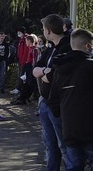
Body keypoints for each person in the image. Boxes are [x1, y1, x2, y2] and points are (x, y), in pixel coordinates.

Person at [32, 14, 73, 170]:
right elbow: (36, 69)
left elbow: (55, 76)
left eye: (43, 29)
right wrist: (43, 71)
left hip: (57, 104)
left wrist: (44, 73)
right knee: (50, 145)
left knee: (63, 145)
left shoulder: (66, 46)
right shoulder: (51, 48)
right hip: (45, 101)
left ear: (48, 31)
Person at [52, 28, 93, 170]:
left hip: (69, 128)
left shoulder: (59, 68)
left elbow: (53, 100)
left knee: (74, 165)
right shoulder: (89, 66)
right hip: (89, 129)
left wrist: (63, 115)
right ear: (88, 46)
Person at [12, 34, 40, 105]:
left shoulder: (34, 49)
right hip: (28, 66)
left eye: (26, 41)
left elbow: (33, 60)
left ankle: (24, 98)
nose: (26, 43)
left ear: (29, 41)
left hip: (30, 67)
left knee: (29, 83)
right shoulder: (31, 49)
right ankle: (22, 98)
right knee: (26, 83)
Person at [11, 27, 30, 95]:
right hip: (20, 60)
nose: (18, 33)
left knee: (22, 75)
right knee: (20, 74)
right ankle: (19, 88)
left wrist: (23, 61)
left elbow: (25, 51)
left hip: (24, 61)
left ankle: (19, 88)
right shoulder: (21, 39)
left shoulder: (25, 39)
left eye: (19, 32)